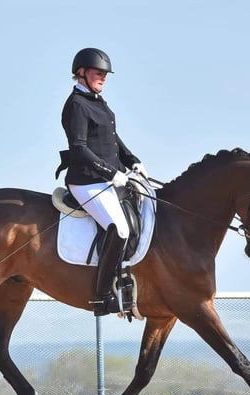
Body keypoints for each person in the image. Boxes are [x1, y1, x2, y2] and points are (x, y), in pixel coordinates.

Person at [60, 47, 149, 316]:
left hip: (107, 179)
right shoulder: (76, 105)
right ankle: (101, 297)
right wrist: (111, 173)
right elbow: (79, 149)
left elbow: (112, 137)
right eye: (98, 73)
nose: (103, 77)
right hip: (86, 182)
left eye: (105, 74)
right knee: (119, 229)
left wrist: (132, 160)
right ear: (82, 73)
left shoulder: (98, 102)